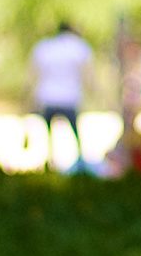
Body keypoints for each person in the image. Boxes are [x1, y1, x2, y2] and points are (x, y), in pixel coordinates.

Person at [27, 20, 94, 171]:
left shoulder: (44, 47)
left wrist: (26, 100)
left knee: (48, 136)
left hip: (47, 97)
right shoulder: (79, 47)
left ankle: (50, 163)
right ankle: (80, 163)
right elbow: (88, 76)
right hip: (70, 99)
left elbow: (33, 75)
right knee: (76, 134)